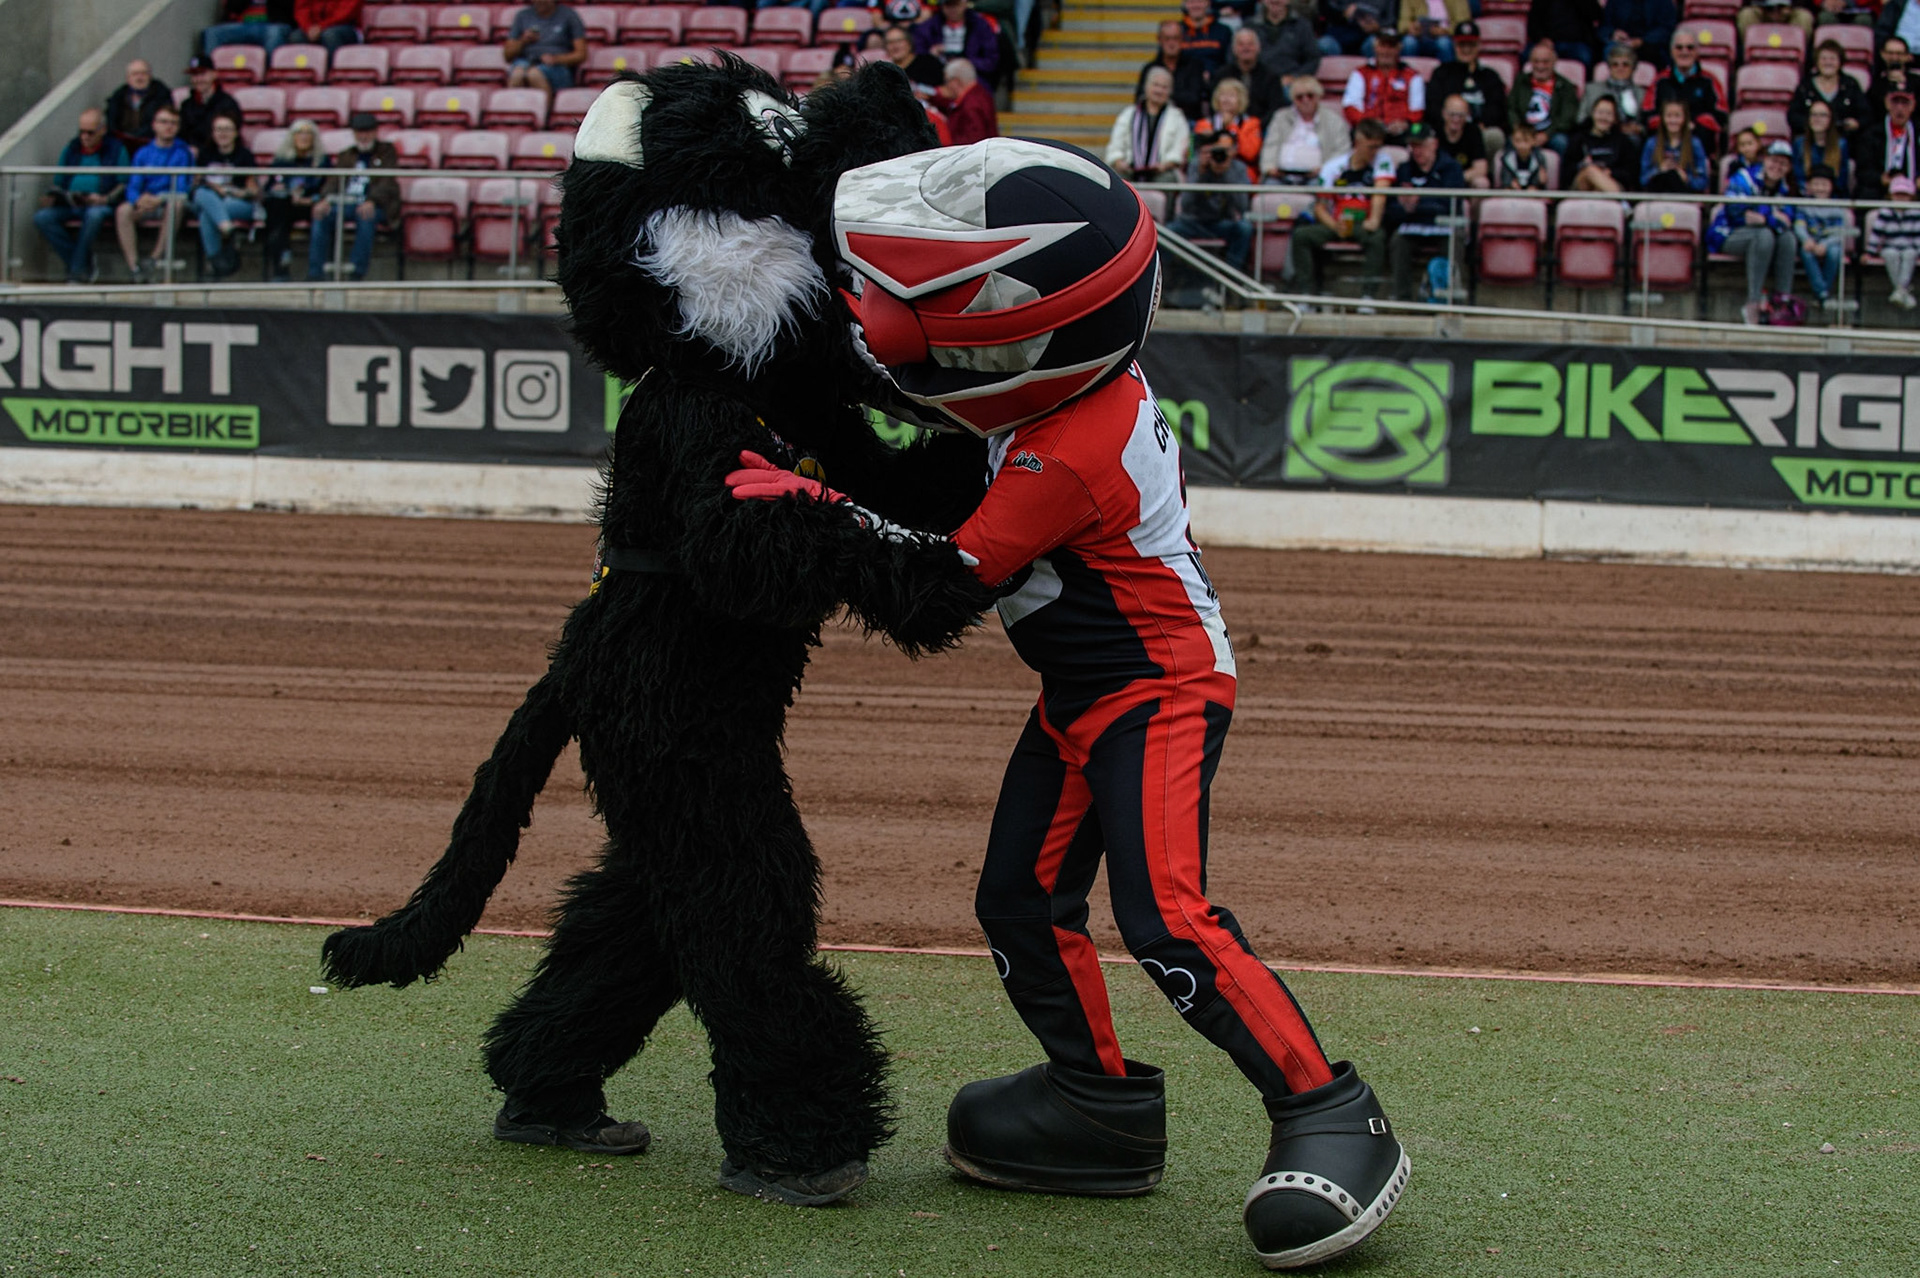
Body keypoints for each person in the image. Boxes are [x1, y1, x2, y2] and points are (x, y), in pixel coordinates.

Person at [1287, 116, 1394, 298]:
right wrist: (1334, 225)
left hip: (1363, 222)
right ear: (1358, 143)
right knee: (1301, 236)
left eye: (1378, 146)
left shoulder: (1382, 161)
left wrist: (1374, 220)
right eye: (1371, 147)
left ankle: (1368, 296)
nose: (1375, 152)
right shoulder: (1334, 167)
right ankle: (1306, 293)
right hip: (1338, 221)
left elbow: (1380, 193)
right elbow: (1320, 206)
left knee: (1377, 238)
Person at [1708, 139, 1799, 324]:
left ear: (1788, 168)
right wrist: (1772, 216)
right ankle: (1753, 304)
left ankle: (1782, 302)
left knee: (1787, 237)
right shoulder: (1744, 177)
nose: (1777, 166)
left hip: (1762, 237)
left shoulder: (1786, 189)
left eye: (1783, 163)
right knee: (1764, 235)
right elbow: (1734, 210)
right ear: (1764, 160)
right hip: (1728, 234)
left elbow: (1787, 222)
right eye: (1773, 160)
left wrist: (1762, 217)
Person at [34, 109, 128, 284]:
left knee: (94, 215)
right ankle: (83, 263)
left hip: (100, 203)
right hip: (71, 204)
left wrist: (105, 198)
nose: (85, 137)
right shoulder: (72, 148)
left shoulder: (116, 149)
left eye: (90, 132)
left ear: (102, 130)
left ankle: (77, 272)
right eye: (81, 132)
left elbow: (124, 182)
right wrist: (53, 197)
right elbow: (59, 181)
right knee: (42, 217)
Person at [308, 112, 399, 281]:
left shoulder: (387, 151)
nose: (363, 136)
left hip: (375, 205)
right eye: (359, 132)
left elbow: (387, 182)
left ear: (375, 132)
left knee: (366, 216)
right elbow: (334, 180)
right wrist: (325, 199)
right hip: (345, 202)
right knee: (321, 216)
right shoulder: (346, 154)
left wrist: (372, 200)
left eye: (367, 132)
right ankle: (315, 273)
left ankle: (356, 272)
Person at [114, 103, 193, 284]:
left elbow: (181, 188)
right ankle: (135, 268)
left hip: (167, 201)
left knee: (176, 204)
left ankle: (154, 259)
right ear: (154, 125)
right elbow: (133, 185)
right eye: (164, 122)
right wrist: (139, 199)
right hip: (146, 202)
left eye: (173, 123)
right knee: (123, 210)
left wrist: (160, 199)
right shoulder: (143, 153)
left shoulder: (183, 153)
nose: (168, 126)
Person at [1386, 122, 1465, 299]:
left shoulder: (1451, 168)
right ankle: (1402, 298)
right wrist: (1406, 208)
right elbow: (1391, 207)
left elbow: (1450, 204)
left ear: (1434, 144)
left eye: (1421, 145)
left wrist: (1418, 203)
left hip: (1443, 225)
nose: (1417, 151)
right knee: (1398, 240)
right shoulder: (1405, 170)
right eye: (1413, 146)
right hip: (1413, 225)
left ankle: (1451, 298)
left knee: (1455, 239)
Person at [1170, 128, 1255, 267]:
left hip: (1222, 222)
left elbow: (1242, 206)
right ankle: (1169, 278)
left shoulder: (1238, 168)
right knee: (1169, 232)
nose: (1220, 154)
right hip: (1194, 222)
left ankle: (1230, 278)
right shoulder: (1198, 165)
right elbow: (1186, 204)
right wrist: (1201, 173)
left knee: (1244, 229)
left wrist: (1226, 173)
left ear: (1233, 151)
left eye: (1226, 150)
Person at [260, 118, 328, 282]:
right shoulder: (281, 162)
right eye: (299, 133)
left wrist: (312, 199)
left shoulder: (322, 163)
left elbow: (328, 188)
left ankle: (314, 274)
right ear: (292, 137)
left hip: (311, 205)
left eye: (308, 133)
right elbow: (269, 188)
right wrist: (279, 191)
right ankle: (281, 268)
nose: (304, 137)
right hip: (285, 206)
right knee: (277, 211)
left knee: (321, 214)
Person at [191, 114, 258, 279]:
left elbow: (253, 191)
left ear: (236, 133)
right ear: (213, 133)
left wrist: (230, 192)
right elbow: (197, 183)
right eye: (219, 129)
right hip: (208, 198)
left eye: (227, 129)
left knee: (208, 213)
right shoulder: (205, 154)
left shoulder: (245, 155)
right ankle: (227, 228)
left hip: (237, 202)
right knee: (202, 195)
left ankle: (213, 262)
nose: (223, 133)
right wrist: (215, 188)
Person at [1424, 21, 1510, 150]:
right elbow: (1432, 106)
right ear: (1455, 45)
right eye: (1462, 44)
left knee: (1495, 136)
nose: (1466, 49)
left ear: (1479, 46)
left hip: (1480, 131)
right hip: (1448, 130)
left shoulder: (1490, 75)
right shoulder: (1441, 73)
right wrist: (1452, 123)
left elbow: (1498, 108)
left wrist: (1477, 126)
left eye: (1471, 44)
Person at [1644, 30, 1728, 156]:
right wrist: (1672, 124)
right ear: (1672, 52)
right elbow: (1647, 113)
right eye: (1679, 48)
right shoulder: (1660, 81)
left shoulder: (1709, 80)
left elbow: (1721, 115)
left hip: (1698, 138)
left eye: (1690, 48)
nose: (1684, 52)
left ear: (1697, 52)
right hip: (1665, 138)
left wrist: (1692, 124)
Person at [1259, 74, 1349, 181]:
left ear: (1318, 96)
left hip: (1318, 175)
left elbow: (1342, 151)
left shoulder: (1334, 120)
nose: (1305, 100)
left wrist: (1325, 168)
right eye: (1299, 97)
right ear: (1293, 99)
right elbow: (1271, 145)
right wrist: (1269, 167)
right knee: (1266, 190)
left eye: (1310, 96)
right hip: (1280, 176)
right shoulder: (1280, 117)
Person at [1342, 28, 1425, 142]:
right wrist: (1370, 123)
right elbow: (1351, 107)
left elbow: (1417, 111)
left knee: (1419, 131)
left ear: (1399, 48)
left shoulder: (1413, 76)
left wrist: (1405, 123)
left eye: (1391, 46)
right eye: (1382, 45)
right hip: (1369, 129)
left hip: (1401, 130)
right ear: (1375, 47)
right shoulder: (1360, 73)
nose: (1386, 51)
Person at [1110, 66, 1191, 181]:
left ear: (1170, 91)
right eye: (1155, 85)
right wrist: (1119, 162)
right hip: (1130, 170)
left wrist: (1166, 165)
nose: (1159, 91)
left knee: (1167, 179)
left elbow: (1180, 149)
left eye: (1164, 87)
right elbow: (1116, 145)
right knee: (1116, 179)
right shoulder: (1129, 114)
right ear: (1146, 87)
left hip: (1163, 171)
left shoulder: (1177, 117)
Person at [1789, 40, 1871, 141]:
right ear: (1817, 61)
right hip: (1811, 142)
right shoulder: (1805, 86)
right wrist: (1813, 124)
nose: (1828, 63)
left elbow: (1866, 114)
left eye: (1832, 59)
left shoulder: (1850, 84)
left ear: (1840, 62)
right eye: (1823, 59)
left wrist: (1856, 123)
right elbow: (1793, 116)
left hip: (1845, 141)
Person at [1510, 40, 1580, 155]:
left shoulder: (1565, 86)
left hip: (1552, 133)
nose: (1540, 66)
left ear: (1554, 62)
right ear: (1531, 62)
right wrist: (1519, 131)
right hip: (1523, 131)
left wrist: (1547, 134)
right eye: (1536, 61)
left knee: (1561, 142)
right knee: (1509, 142)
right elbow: (1511, 108)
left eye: (1545, 62)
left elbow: (1567, 117)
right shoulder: (1520, 81)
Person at [1793, 162, 1848, 309]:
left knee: (1835, 253)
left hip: (1829, 243)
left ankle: (1821, 291)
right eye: (1816, 184)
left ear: (1831, 186)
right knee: (1806, 252)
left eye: (1824, 184)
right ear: (1809, 186)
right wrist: (1806, 240)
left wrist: (1826, 244)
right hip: (1810, 242)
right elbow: (1799, 226)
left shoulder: (1837, 208)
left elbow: (1839, 232)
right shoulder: (1803, 205)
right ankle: (1822, 292)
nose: (1820, 188)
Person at [505, 0, 587, 94]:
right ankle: (516, 107)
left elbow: (581, 54)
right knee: (517, 74)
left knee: (534, 74)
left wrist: (556, 59)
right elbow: (507, 56)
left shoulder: (569, 15)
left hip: (558, 66)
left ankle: (545, 108)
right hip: (527, 61)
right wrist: (523, 40)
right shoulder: (522, 16)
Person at [1866, 174, 1920, 309]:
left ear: (1911, 197)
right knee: (1890, 254)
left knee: (1910, 254)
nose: (1901, 198)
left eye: (1905, 195)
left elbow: (1918, 236)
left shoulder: (1916, 213)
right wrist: (1870, 253)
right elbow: (1876, 234)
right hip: (1890, 246)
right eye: (1897, 194)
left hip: (1909, 247)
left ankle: (1899, 291)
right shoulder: (1885, 212)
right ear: (1891, 195)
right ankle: (1903, 291)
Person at [1139, 19, 1210, 120]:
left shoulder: (1195, 66)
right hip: (1156, 120)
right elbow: (1141, 99)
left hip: (1187, 120)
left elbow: (1194, 99)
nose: (1171, 43)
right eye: (1167, 39)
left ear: (1182, 39)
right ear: (1159, 40)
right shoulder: (1150, 69)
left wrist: (1160, 95)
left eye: (1176, 38)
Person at [1564, 93, 1638, 190]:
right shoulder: (1578, 139)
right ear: (1593, 114)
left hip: (1611, 182)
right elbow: (1566, 173)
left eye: (1608, 114)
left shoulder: (1623, 142)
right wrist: (1581, 166)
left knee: (1595, 178)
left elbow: (1630, 174)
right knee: (1590, 171)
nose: (1603, 118)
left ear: (1615, 118)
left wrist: (1610, 172)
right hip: (1582, 184)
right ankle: (1622, 202)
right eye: (1600, 112)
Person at [1197, 76, 1263, 179]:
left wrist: (1232, 127)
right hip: (1209, 170)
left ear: (1240, 100)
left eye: (1232, 96)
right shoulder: (1204, 124)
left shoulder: (1252, 124)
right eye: (1223, 95)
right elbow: (1197, 153)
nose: (1226, 100)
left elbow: (1251, 154)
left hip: (1240, 171)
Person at [178, 55, 244, 155]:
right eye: (194, 75)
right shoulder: (186, 105)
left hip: (218, 156)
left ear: (214, 74)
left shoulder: (228, 103)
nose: (198, 79)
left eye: (202, 74)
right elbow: (182, 135)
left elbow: (231, 135)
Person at [1640, 97, 1709, 191]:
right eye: (1669, 116)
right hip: (1658, 193)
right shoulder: (1651, 143)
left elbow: (1702, 182)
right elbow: (1643, 180)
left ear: (1685, 118)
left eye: (1677, 116)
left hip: (1685, 194)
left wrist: (1685, 177)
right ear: (1662, 118)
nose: (1673, 121)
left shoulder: (1695, 144)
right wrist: (1659, 170)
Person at [1580, 43, 1647, 138]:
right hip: (1599, 136)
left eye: (1625, 64)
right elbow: (1580, 119)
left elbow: (1647, 124)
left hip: (1630, 139)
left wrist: (1638, 129)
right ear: (1609, 68)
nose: (1620, 68)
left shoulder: (1642, 93)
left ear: (1633, 68)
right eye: (1615, 64)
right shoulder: (1592, 90)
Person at [1245, 0, 1320, 85]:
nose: (1275, 0)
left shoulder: (1302, 26)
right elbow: (1234, 56)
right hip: (1256, 82)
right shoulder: (1249, 26)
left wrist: (1295, 76)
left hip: (1292, 83)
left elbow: (1312, 59)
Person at [103, 59, 171, 152]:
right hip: (121, 146)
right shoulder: (118, 98)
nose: (139, 78)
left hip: (151, 145)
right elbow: (111, 123)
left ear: (150, 76)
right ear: (128, 78)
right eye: (135, 74)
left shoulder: (162, 97)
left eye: (143, 73)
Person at [1221, 28, 1285, 124]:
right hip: (1228, 127)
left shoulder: (1271, 76)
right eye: (1241, 44)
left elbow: (1275, 109)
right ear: (1234, 49)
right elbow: (1216, 105)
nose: (1246, 48)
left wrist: (1255, 126)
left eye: (1250, 44)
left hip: (1262, 128)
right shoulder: (1222, 75)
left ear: (1258, 48)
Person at [1862, 88, 1918, 197]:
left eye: (1905, 103)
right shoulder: (1872, 134)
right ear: (1887, 104)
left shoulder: (1917, 134)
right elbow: (1863, 170)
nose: (1900, 109)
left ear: (1912, 106)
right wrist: (1880, 179)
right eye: (1895, 103)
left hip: (1913, 189)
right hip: (1880, 189)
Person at [1793, 99, 1855, 194]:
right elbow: (1798, 177)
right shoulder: (1799, 144)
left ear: (1831, 119)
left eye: (1823, 115)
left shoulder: (1841, 145)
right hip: (1805, 198)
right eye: (1814, 114)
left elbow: (1842, 180)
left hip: (1833, 198)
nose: (1817, 119)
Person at [201, 0, 295, 57]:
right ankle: (207, 76)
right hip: (242, 26)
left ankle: (267, 79)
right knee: (212, 33)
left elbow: (291, 6)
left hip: (272, 25)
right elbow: (232, 6)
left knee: (274, 33)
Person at [1602, 0, 1676, 70]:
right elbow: (1604, 26)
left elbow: (1667, 28)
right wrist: (1613, 33)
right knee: (1611, 51)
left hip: (1651, 44)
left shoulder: (1663, 2)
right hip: (1621, 43)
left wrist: (1641, 41)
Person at [1434, 92, 1489, 186]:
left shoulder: (1473, 131)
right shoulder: (1435, 131)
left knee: (1482, 183)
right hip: (1437, 180)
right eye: (1452, 114)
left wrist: (1455, 179)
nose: (1456, 119)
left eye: (1461, 115)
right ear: (1443, 113)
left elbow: (1481, 168)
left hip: (1464, 180)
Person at [940, 57, 998, 144]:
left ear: (955, 82)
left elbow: (973, 142)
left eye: (947, 81)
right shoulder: (981, 94)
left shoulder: (971, 105)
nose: (946, 86)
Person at [1529, 0, 1602, 68]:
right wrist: (1542, 39)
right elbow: (1533, 23)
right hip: (1547, 42)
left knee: (1585, 56)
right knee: (1526, 55)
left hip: (1576, 43)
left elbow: (1596, 15)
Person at [883, 24, 945, 98]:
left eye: (899, 41)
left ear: (909, 43)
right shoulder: (885, 73)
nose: (895, 46)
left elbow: (946, 90)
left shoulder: (929, 62)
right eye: (890, 42)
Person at [1395, 0, 1469, 62]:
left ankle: (1448, 76)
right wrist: (1411, 28)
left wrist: (1446, 31)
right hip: (1419, 37)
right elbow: (1402, 23)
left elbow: (1464, 23)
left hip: (1445, 36)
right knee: (1409, 42)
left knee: (1444, 43)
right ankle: (1406, 76)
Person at [1174, 0, 1231, 75]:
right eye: (1191, 2)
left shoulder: (1223, 31)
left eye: (1200, 1)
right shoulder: (1176, 31)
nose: (1196, 5)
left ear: (1208, 3)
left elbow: (1229, 63)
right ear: (1185, 4)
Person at [1320, 0, 1391, 57]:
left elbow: (1391, 19)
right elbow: (1326, 10)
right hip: (1338, 34)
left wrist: (1378, 27)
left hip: (1369, 35)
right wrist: (1343, 15)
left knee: (1375, 44)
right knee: (1325, 45)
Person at [1495, 118, 1550, 188]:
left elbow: (1541, 180)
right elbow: (1505, 177)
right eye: (1518, 141)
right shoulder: (1506, 158)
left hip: (1533, 191)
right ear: (1512, 140)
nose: (1522, 145)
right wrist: (1510, 184)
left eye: (1526, 141)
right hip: (1512, 191)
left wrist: (1536, 183)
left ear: (1534, 141)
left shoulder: (1539, 158)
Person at [1871, 36, 1917, 120]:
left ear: (1907, 56)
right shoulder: (1875, 83)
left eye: (1899, 53)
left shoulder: (1917, 82)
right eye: (1890, 53)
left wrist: (1904, 85)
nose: (1894, 57)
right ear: (1882, 54)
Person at [292, 0, 363, 54]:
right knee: (297, 36)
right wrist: (308, 28)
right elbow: (301, 9)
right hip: (314, 28)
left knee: (330, 35)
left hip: (347, 27)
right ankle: (305, 71)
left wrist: (321, 27)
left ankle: (331, 71)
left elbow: (345, 14)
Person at [1736, 0, 1810, 39]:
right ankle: (1750, 52)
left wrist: (1790, 7)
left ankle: (1799, 55)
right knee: (1746, 14)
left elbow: (1806, 4)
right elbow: (1747, 3)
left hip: (1789, 11)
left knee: (1804, 16)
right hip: (1762, 11)